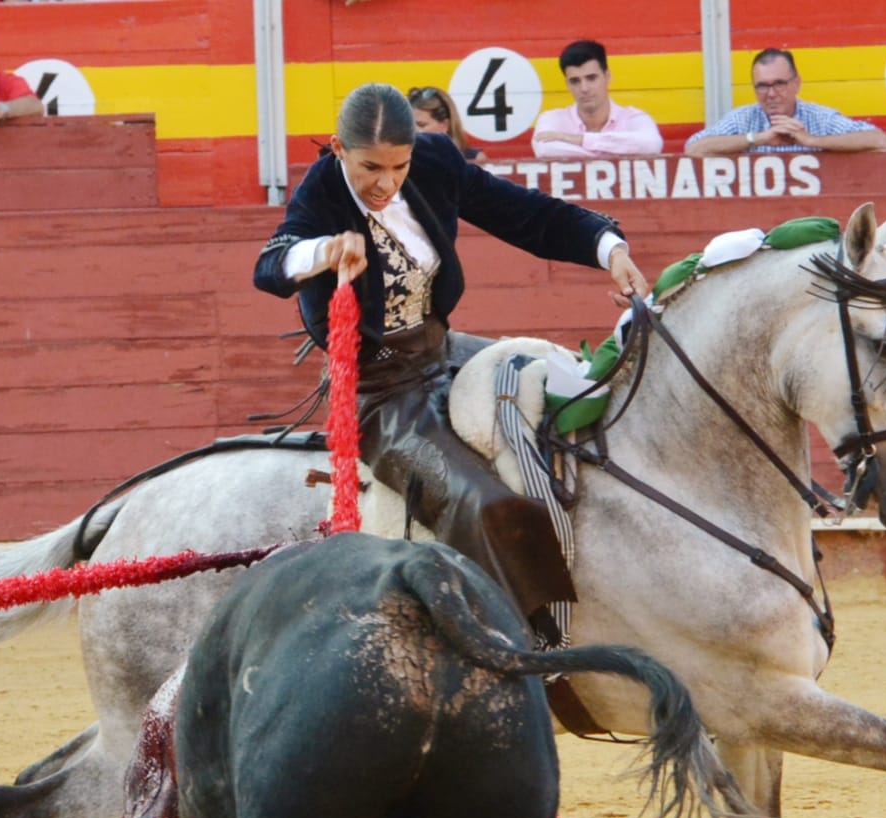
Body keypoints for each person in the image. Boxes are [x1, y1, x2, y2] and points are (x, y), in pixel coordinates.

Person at [253, 83, 649, 639]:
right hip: (380, 389)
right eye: (370, 167)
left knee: (570, 397)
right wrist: (322, 251)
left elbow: (526, 215)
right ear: (339, 150)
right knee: (482, 503)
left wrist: (609, 249)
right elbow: (269, 263)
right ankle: (529, 644)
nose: (386, 183)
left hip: (446, 350)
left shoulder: (436, 160)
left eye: (399, 165)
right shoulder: (321, 191)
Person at [685, 48, 886, 156]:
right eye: (763, 86)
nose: (771, 94)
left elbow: (879, 140)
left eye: (779, 84)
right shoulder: (743, 120)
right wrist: (757, 138)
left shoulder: (818, 118)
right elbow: (694, 147)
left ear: (796, 83)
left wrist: (811, 141)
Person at [531, 39, 663, 159]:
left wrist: (580, 140)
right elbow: (544, 149)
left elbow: (652, 145)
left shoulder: (632, 117)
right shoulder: (552, 118)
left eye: (591, 78)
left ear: (607, 76)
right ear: (567, 84)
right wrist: (609, 154)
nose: (584, 88)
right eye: (575, 81)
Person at [408, 85, 481, 161]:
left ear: (445, 125)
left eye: (421, 125)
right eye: (409, 125)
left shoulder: (473, 160)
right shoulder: (403, 161)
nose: (413, 131)